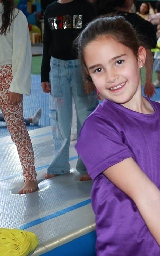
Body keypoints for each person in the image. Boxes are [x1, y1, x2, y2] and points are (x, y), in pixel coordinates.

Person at [74, 16, 160, 255]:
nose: (111, 76)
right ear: (89, 75)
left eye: (118, 61)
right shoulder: (98, 129)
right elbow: (145, 193)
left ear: (140, 57)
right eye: (98, 69)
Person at [41, 0, 99, 181]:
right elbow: (46, 43)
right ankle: (59, 166)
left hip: (81, 67)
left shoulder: (86, 8)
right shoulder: (51, 9)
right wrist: (44, 75)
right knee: (59, 118)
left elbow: (93, 43)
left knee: (86, 116)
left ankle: (88, 165)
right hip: (57, 67)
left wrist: (90, 75)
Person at [0, 0, 39, 194]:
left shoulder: (16, 16)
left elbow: (23, 52)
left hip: (8, 75)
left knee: (17, 130)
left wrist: (17, 85)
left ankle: (30, 177)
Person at [94, 0, 157, 98]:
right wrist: (149, 80)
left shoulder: (98, 20)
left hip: (107, 77)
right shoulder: (140, 23)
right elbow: (147, 53)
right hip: (129, 77)